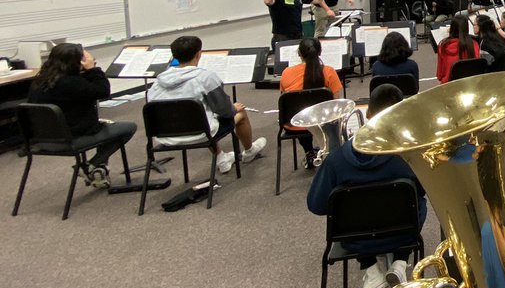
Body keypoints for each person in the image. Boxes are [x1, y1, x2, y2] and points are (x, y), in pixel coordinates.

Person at [306, 84, 428, 288]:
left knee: (350, 211)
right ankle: (400, 261)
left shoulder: (336, 160)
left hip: (356, 241)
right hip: (403, 233)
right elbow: (423, 190)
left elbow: (316, 205)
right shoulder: (407, 156)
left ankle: (371, 271)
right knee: (418, 201)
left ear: (368, 114)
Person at [148, 35, 265, 173]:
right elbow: (225, 111)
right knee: (239, 112)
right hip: (200, 133)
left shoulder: (157, 83)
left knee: (202, 114)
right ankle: (249, 151)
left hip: (165, 137)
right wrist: (234, 108)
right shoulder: (206, 77)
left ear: (174, 56)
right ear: (199, 54)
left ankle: (222, 159)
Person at [27, 43, 137, 188]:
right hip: (69, 139)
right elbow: (103, 91)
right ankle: (91, 165)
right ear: (76, 62)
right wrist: (93, 69)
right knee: (127, 127)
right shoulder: (71, 83)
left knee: (105, 125)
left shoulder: (40, 80)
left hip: (40, 140)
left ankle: (98, 170)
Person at [281, 36, 344, 169]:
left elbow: (284, 100)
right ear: (319, 52)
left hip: (293, 124)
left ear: (299, 54)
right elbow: (335, 104)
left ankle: (309, 152)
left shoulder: (286, 73)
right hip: (324, 123)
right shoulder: (329, 72)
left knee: (301, 111)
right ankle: (331, 152)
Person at [436, 16, 479, 83]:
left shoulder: (443, 46)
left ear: (452, 28)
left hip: (450, 85)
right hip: (471, 84)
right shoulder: (474, 44)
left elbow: (440, 75)